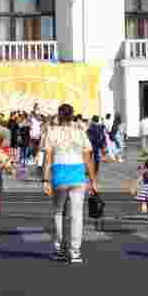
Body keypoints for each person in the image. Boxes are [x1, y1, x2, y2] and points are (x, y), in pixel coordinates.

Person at [41, 103, 97, 264]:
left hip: (59, 175)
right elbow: (88, 159)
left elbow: (48, 160)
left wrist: (46, 180)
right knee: (77, 216)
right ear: (72, 116)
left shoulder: (51, 132)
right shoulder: (80, 133)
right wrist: (92, 180)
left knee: (58, 212)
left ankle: (59, 248)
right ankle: (75, 252)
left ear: (58, 116)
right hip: (78, 175)